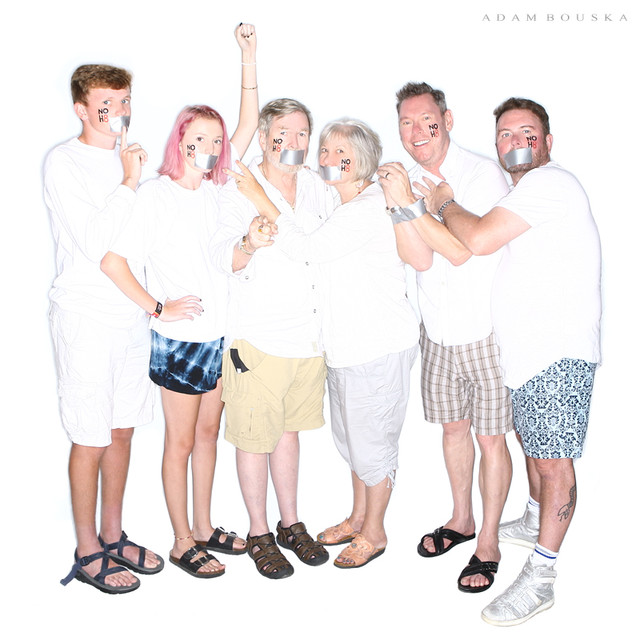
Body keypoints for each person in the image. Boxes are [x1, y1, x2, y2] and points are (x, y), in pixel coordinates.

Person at [420, 97, 601, 625]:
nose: (514, 140)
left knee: (552, 463)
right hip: (526, 355)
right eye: (504, 133)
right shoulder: (526, 194)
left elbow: (476, 239)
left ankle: (541, 576)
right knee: (532, 447)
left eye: (526, 131)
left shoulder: (550, 183)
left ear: (547, 142)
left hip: (556, 354)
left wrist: (443, 201)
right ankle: (532, 517)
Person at [100, 24, 260, 578]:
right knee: (182, 441)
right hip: (180, 341)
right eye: (200, 138)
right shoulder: (155, 195)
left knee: (209, 435)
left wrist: (248, 56)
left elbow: (247, 126)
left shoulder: (218, 190)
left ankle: (205, 526)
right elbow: (113, 262)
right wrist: (157, 307)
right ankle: (181, 540)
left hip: (218, 336)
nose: (211, 148)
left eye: (216, 141)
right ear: (181, 140)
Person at [227, 118, 419, 568]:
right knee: (353, 443)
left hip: (376, 347)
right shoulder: (337, 200)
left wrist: (258, 194)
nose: (329, 159)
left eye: (342, 153)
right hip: (344, 349)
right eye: (326, 150)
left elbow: (306, 249)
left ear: (363, 161)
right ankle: (358, 517)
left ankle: (374, 532)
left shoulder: (366, 207)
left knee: (374, 447)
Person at [376, 82, 512, 592]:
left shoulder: (481, 174)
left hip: (486, 331)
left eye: (426, 121)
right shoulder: (408, 180)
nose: (417, 132)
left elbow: (461, 249)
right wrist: (402, 204)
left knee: (490, 438)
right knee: (453, 430)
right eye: (406, 123)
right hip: (436, 331)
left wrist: (413, 206)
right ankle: (462, 520)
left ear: (447, 120)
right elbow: (420, 258)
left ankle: (489, 541)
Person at [45, 64, 163, 593]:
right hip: (85, 317)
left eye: (124, 100)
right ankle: (87, 548)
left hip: (130, 316)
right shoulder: (64, 162)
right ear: (81, 109)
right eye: (106, 103)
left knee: (121, 429)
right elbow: (95, 244)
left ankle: (114, 537)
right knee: (89, 435)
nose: (118, 112)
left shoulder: (129, 158)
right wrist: (130, 181)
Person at [211, 98, 334, 579]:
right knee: (253, 439)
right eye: (282, 132)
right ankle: (259, 532)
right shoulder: (238, 185)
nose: (293, 142)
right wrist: (248, 243)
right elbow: (222, 257)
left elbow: (319, 249)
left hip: (308, 339)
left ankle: (290, 523)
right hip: (258, 341)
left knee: (288, 433)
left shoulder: (317, 186)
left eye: (303, 133)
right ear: (263, 138)